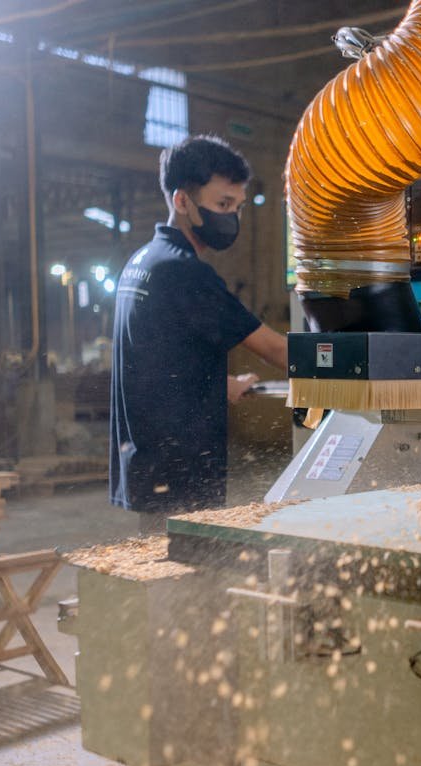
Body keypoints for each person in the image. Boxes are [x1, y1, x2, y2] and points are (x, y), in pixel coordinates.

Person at [110, 134, 288, 533]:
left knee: (165, 567)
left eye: (238, 207)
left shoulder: (141, 262)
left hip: (149, 463)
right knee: (190, 577)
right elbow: (275, 349)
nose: (232, 218)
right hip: (182, 469)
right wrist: (349, 370)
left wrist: (217, 383)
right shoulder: (186, 272)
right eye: (223, 204)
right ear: (182, 201)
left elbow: (157, 358)